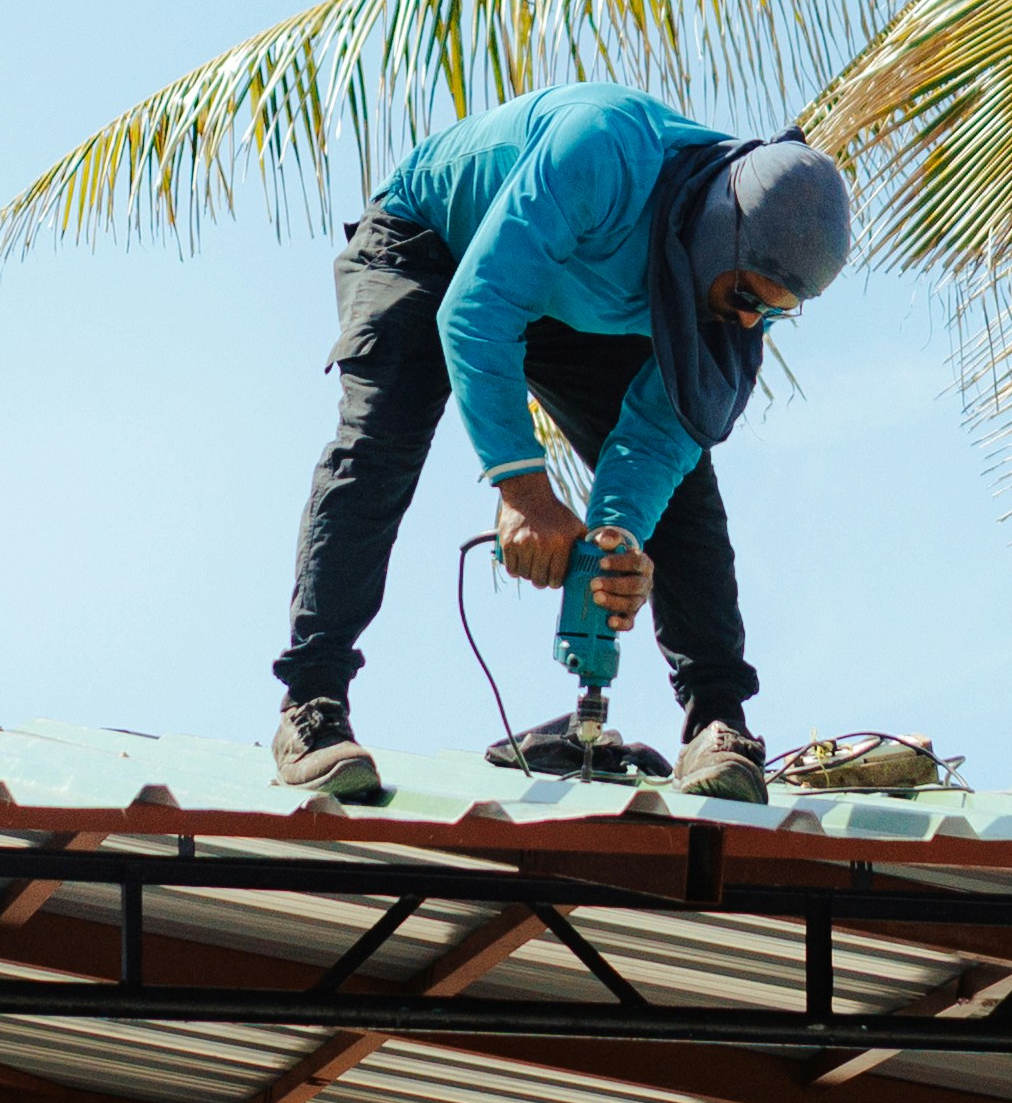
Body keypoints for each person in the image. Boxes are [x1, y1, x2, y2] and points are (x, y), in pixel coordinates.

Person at [266, 79, 853, 807]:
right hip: (431, 245)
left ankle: (717, 721)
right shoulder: (603, 150)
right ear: (716, 232)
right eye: (746, 295)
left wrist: (616, 540)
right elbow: (476, 311)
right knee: (381, 440)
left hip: (564, 300)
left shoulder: (729, 311)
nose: (749, 321)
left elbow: (658, 438)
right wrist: (524, 491)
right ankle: (312, 705)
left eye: (776, 311)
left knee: (685, 497)